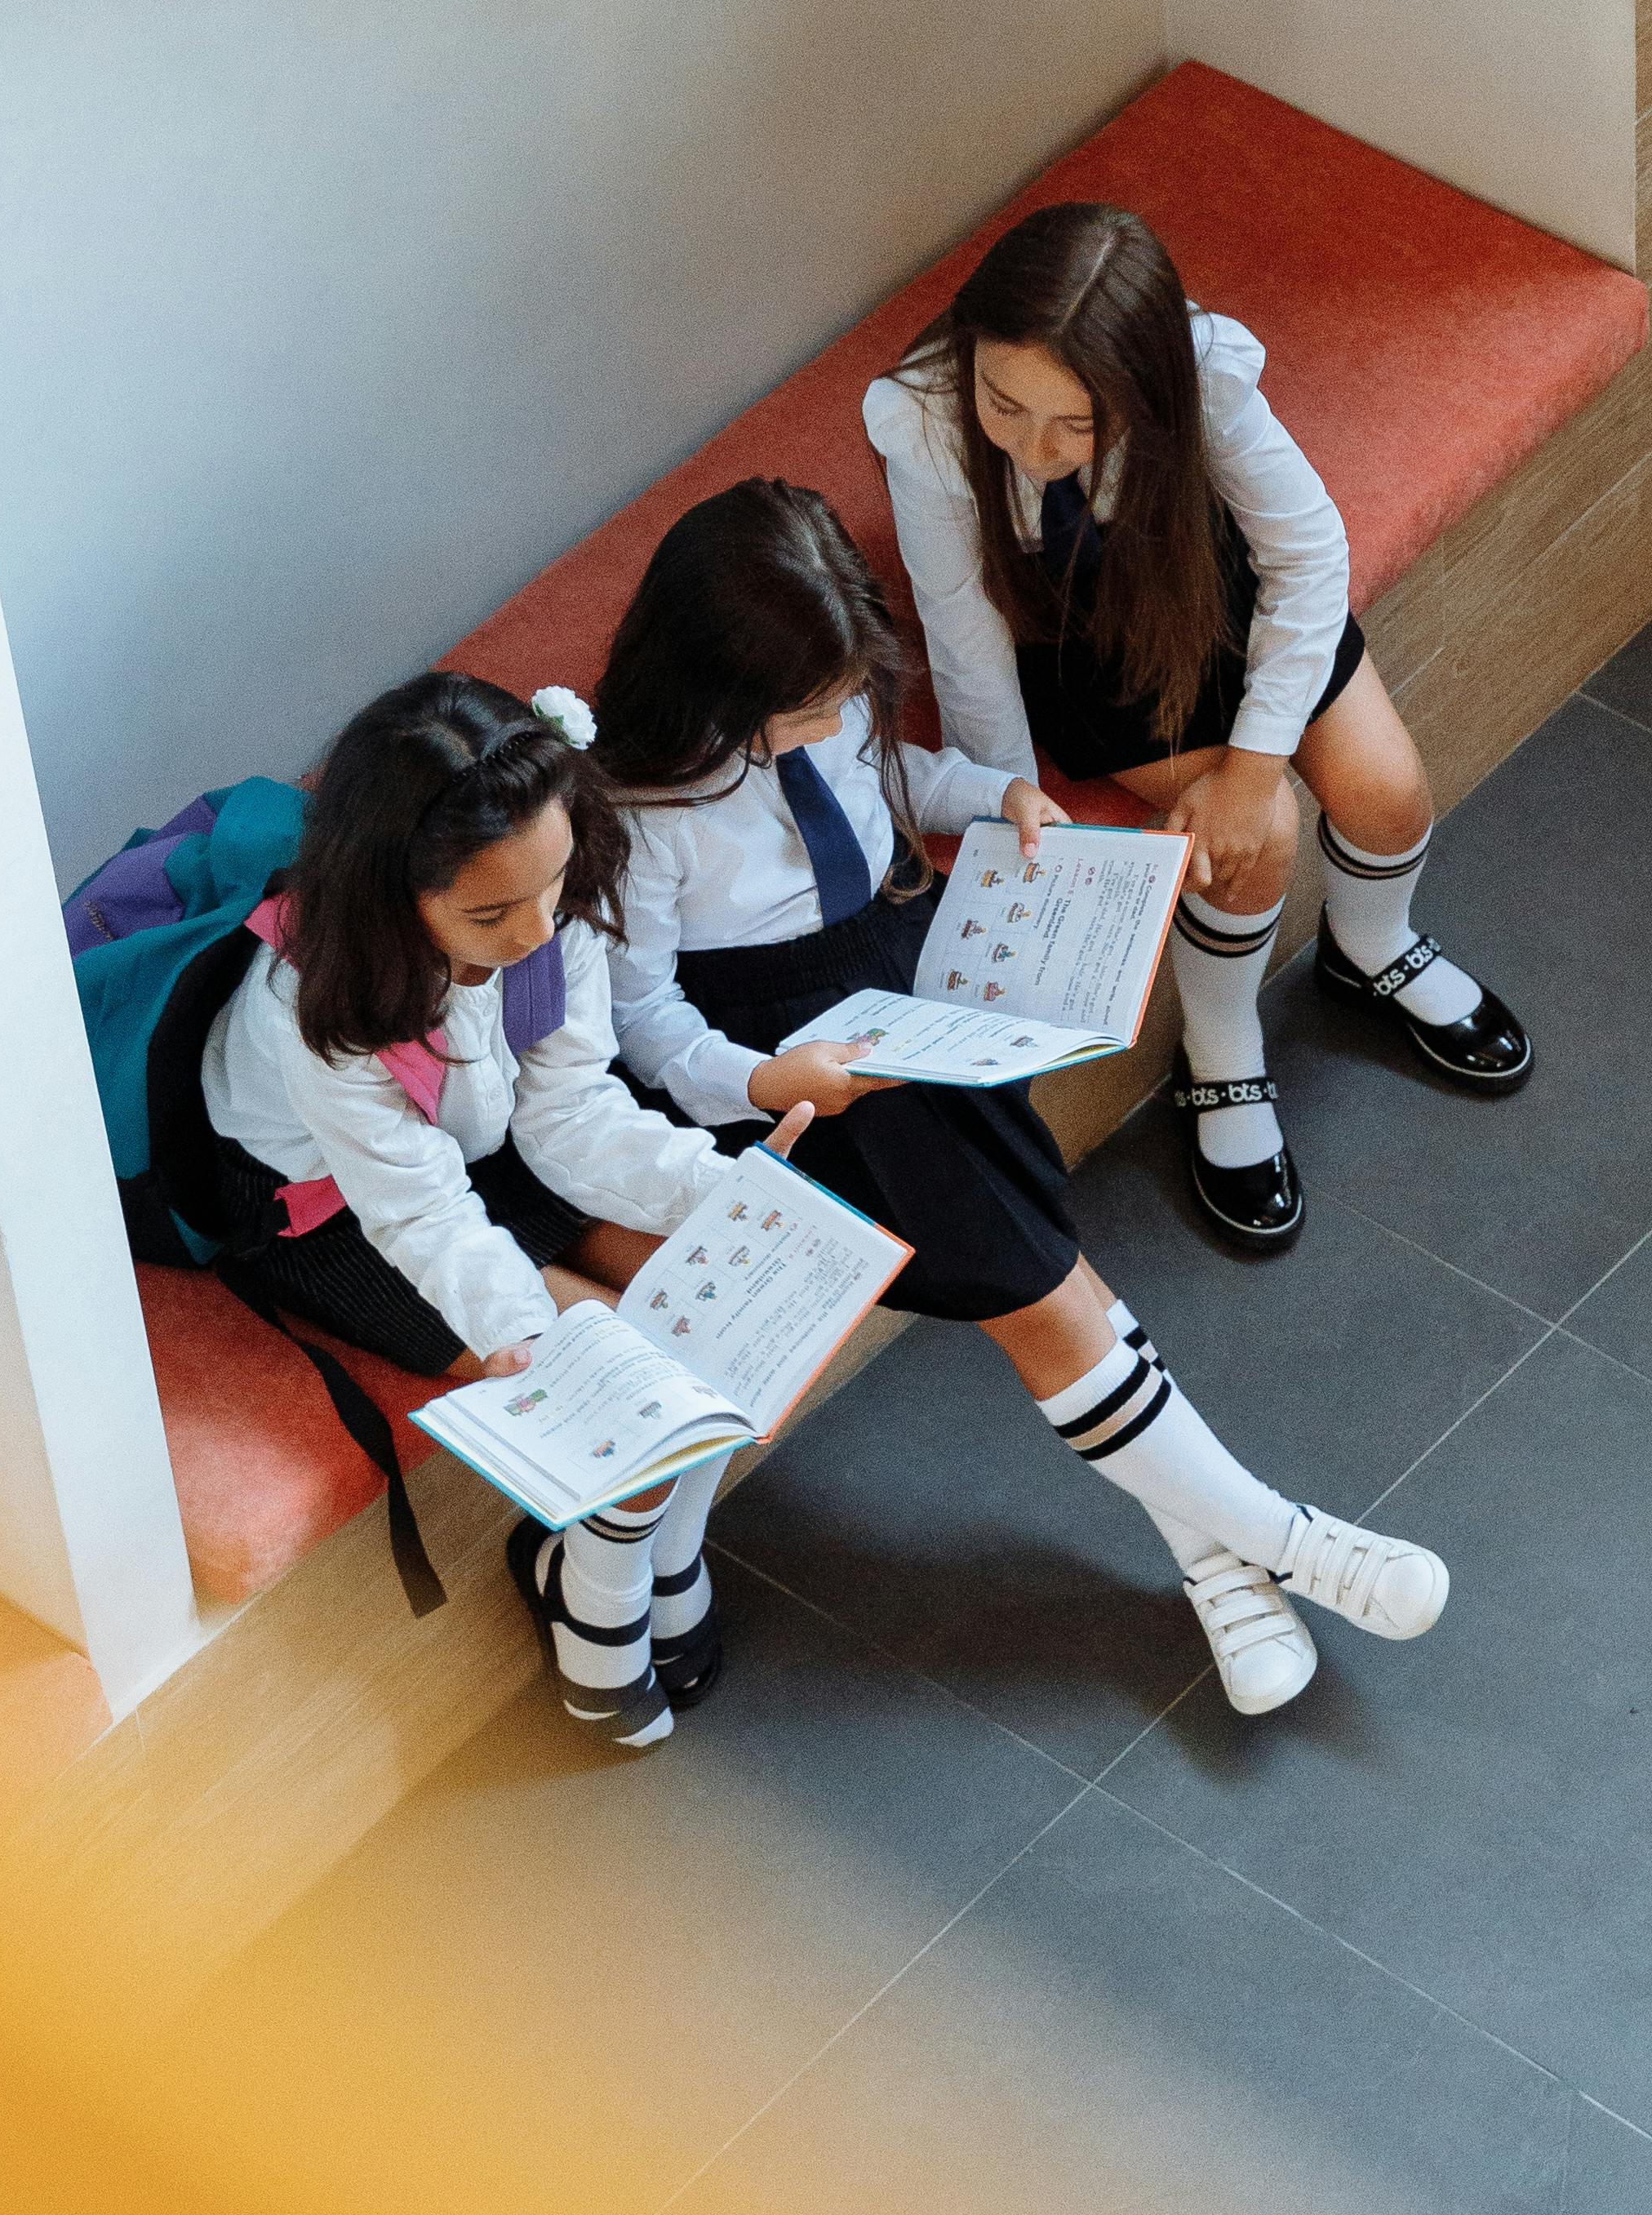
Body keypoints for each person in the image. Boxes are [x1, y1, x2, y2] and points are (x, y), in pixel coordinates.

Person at [594, 479, 1447, 1719]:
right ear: (712, 690)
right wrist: (767, 1080)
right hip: (780, 1070)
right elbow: (646, 1024)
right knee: (1045, 1296)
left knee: (1054, 1274)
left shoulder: (830, 705)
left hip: (899, 987)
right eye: (805, 708)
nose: (833, 719)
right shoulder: (642, 815)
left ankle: (1228, 1569)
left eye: (843, 696)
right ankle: (1290, 1540)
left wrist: (995, 799)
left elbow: (894, 779)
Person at [866, 202, 1530, 1257]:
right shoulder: (926, 417)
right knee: (1247, 844)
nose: (1035, 448)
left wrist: (1257, 763)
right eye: (1007, 403)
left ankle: (1370, 947)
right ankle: (1220, 1053)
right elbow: (965, 628)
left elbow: (1308, 556)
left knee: (1386, 793)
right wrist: (1006, 796)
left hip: (1224, 591)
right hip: (1093, 642)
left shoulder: (1206, 373)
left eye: (1078, 423)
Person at [198, 669, 735, 1749]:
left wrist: (728, 1190)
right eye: (493, 911)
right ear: (396, 895)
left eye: (555, 883)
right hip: (335, 1210)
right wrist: (524, 1339)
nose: (541, 928)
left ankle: (654, 1551)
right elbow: (425, 1220)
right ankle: (596, 1599)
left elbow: (572, 1108)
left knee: (715, 1298)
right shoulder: (324, 1013)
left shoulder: (547, 911)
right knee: (610, 1377)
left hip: (470, 1143)